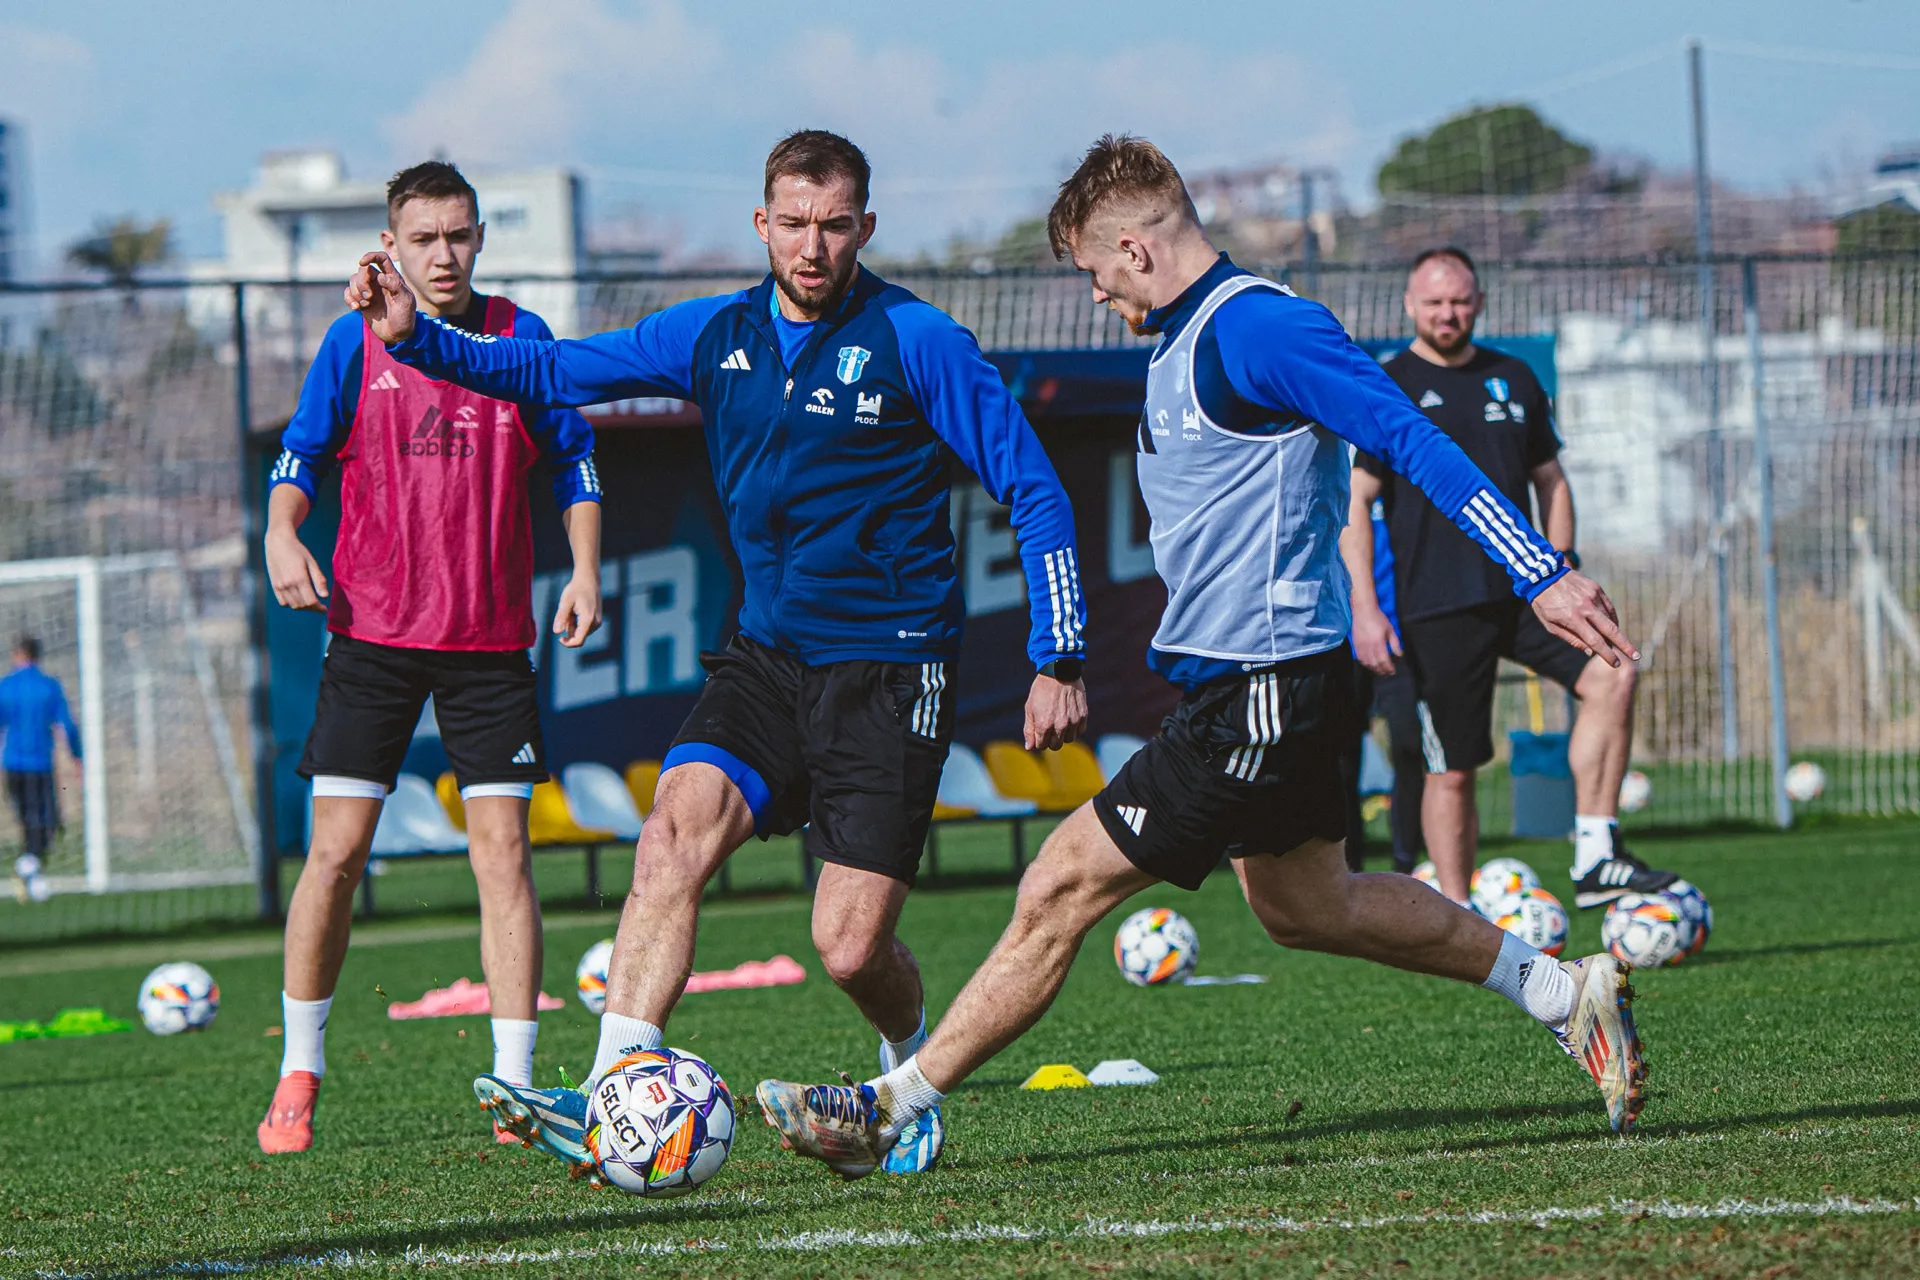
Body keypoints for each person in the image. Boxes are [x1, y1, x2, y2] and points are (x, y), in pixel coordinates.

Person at [756, 135, 1650, 1181]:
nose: (1097, 295)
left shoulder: (1258, 327)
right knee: (1308, 905)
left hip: (1262, 689)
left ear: (1135, 249)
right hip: (1264, 685)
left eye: (1095, 272)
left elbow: (1408, 437)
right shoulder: (1184, 339)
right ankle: (1564, 993)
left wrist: (1540, 572)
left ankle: (888, 1106)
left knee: (1059, 883)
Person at [347, 130, 1088, 1179]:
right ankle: (611, 1091)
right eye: (793, 223)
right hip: (767, 660)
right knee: (670, 834)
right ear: (762, 224)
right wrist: (418, 341)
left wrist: (1060, 652)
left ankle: (907, 1064)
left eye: (835, 225)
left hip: (890, 670)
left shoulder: (918, 339)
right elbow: (554, 367)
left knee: (848, 947)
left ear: (866, 228)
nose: (813, 246)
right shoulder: (714, 333)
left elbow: (1035, 488)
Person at [256, 161, 604, 1156]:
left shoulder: (520, 336)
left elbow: (575, 459)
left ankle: (516, 1086)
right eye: (423, 238)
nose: (443, 254)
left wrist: (585, 569)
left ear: (481, 237)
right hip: (370, 637)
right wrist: (282, 532)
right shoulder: (351, 338)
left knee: (504, 855)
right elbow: (299, 457)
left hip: (489, 647)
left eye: (458, 235)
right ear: (391, 244)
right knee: (334, 856)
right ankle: (300, 1067)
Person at [1344, 247, 1677, 909]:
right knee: (1453, 771)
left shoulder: (1514, 378)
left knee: (1614, 673)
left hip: (1527, 594)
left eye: (1459, 300)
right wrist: (1365, 608)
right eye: (1434, 302)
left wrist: (1560, 567)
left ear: (1480, 302)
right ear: (1410, 305)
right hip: (1437, 605)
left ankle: (1596, 853)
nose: (1448, 313)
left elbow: (1552, 482)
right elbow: (1356, 500)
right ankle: (1457, 914)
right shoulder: (1389, 385)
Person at [1340, 501, 1425, 875]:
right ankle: (1348, 869)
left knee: (1409, 745)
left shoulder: (1400, 478)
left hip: (1399, 638)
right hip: (1341, 636)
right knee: (1342, 759)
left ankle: (1405, 866)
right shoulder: (1333, 476)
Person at [0, 636, 81, 903]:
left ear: (17, 655)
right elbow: (67, 725)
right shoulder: (48, 686)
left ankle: (31, 875)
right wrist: (77, 756)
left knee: (29, 821)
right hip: (39, 766)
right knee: (45, 821)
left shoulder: (6, 686)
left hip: (13, 766)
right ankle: (28, 868)